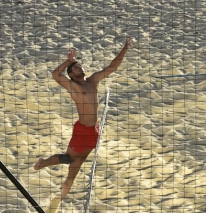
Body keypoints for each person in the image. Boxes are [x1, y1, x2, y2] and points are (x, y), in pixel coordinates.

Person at [33, 36, 132, 199]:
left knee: (80, 160)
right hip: (82, 128)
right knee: (69, 158)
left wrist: (125, 48)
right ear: (71, 75)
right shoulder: (73, 86)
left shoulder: (92, 81)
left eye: (80, 65)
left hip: (94, 129)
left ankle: (67, 185)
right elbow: (55, 75)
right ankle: (43, 163)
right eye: (76, 68)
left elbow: (112, 67)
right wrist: (68, 61)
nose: (80, 68)